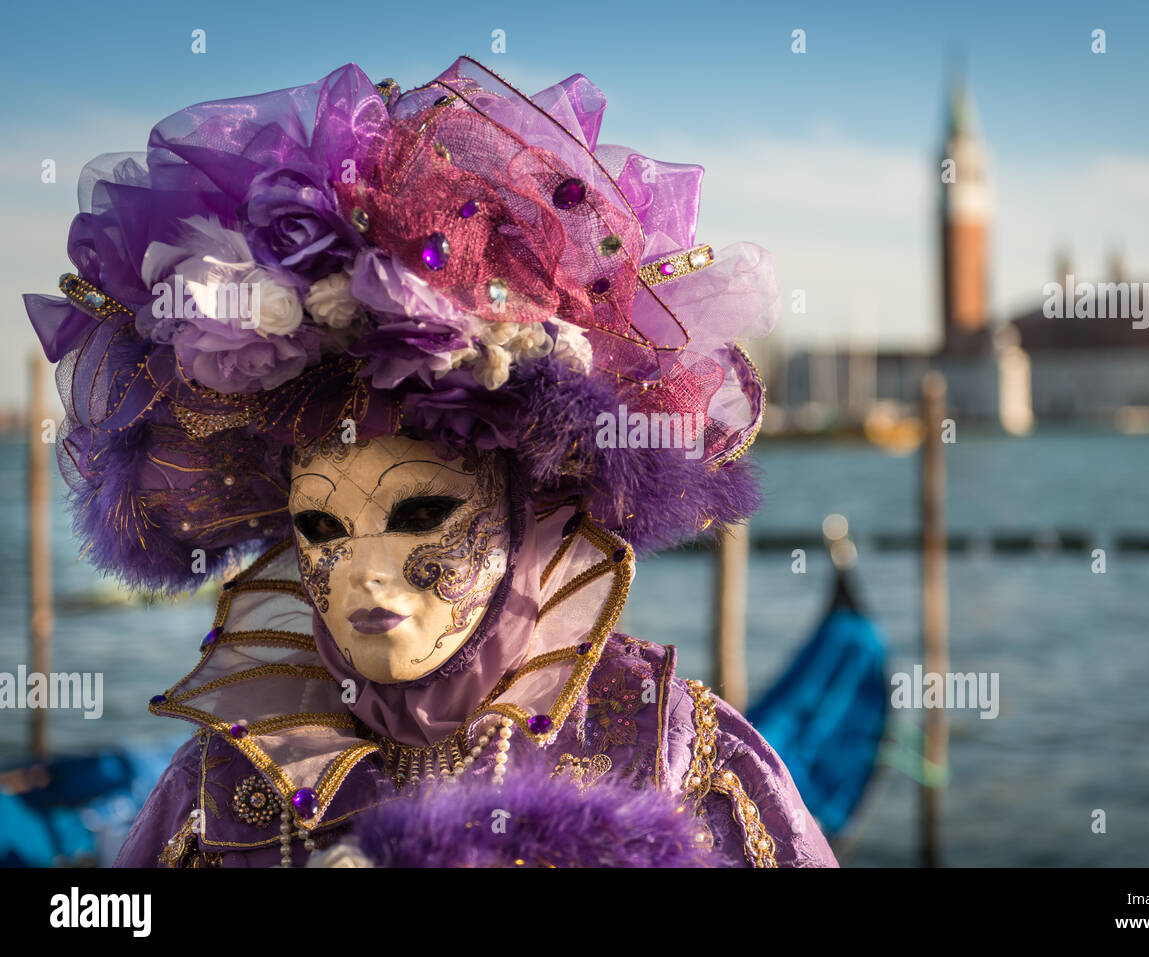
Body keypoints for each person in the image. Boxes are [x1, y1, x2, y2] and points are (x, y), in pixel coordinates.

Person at [24, 57, 837, 868]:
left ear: (530, 511)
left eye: (420, 513)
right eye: (321, 526)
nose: (368, 578)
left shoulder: (671, 756)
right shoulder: (223, 784)